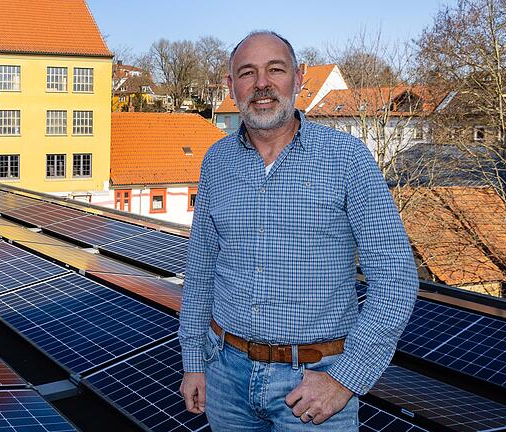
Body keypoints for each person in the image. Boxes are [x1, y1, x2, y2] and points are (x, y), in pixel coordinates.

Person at [178, 30, 418, 431]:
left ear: (299, 77)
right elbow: (201, 268)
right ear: (230, 85)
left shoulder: (347, 159)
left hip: (315, 382)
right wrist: (193, 362)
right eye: (247, 73)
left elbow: (395, 279)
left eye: (276, 69)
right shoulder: (217, 160)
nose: (262, 84)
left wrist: (345, 379)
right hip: (225, 375)